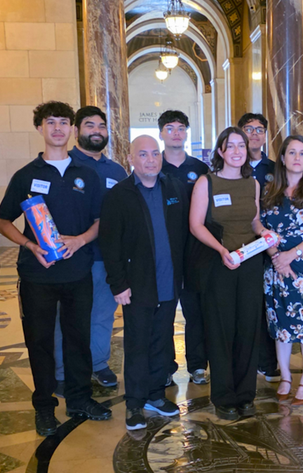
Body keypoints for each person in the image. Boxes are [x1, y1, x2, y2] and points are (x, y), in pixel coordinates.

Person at [0, 101, 112, 436]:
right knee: (40, 342)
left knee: (79, 339)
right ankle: (44, 407)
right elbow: (3, 221)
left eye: (64, 122)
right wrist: (31, 245)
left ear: (72, 130)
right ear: (40, 129)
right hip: (38, 275)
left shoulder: (86, 175)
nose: (58, 128)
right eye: (51, 123)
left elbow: (99, 221)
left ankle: (79, 399)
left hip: (78, 274)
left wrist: (79, 241)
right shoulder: (27, 175)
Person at [100, 135, 189, 431]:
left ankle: (155, 395)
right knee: (137, 344)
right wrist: (118, 284)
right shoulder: (119, 194)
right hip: (136, 286)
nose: (151, 159)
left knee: (161, 343)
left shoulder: (173, 188)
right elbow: (109, 244)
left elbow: (183, 234)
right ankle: (135, 403)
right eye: (143, 154)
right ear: (130, 158)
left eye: (155, 154)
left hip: (169, 282)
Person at [190, 127, 274, 420]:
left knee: (248, 328)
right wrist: (221, 250)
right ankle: (224, 396)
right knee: (221, 328)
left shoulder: (252, 184)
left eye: (242, 145)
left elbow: (254, 221)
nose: (237, 151)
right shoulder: (206, 182)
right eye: (231, 146)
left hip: (249, 261)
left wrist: (265, 233)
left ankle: (245, 395)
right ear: (221, 152)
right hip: (219, 262)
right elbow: (196, 225)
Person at [52, 106, 128, 396]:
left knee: (103, 314)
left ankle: (98, 363)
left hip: (106, 257)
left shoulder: (116, 170)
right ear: (76, 130)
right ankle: (62, 371)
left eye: (101, 126)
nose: (96, 131)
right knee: (67, 316)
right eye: (89, 125)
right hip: (71, 257)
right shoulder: (64, 164)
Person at [261, 135, 303, 405]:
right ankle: (286, 375)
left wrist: (291, 254)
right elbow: (261, 228)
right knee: (280, 323)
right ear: (283, 157)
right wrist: (277, 256)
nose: (298, 158)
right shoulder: (268, 190)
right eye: (292, 152)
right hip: (275, 264)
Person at [158, 110, 211, 386]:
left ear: (187, 132)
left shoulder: (201, 169)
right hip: (164, 253)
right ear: (162, 133)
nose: (176, 133)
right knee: (164, 312)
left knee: (195, 311)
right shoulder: (154, 167)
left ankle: (198, 365)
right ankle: (165, 366)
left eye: (181, 128)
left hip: (195, 254)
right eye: (170, 128)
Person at [238, 113, 280, 383]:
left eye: (260, 130)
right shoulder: (231, 167)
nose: (254, 134)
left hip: (271, 246)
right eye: (249, 129)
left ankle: (269, 361)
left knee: (269, 306)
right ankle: (246, 359)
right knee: (246, 307)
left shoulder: (276, 170)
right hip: (241, 246)